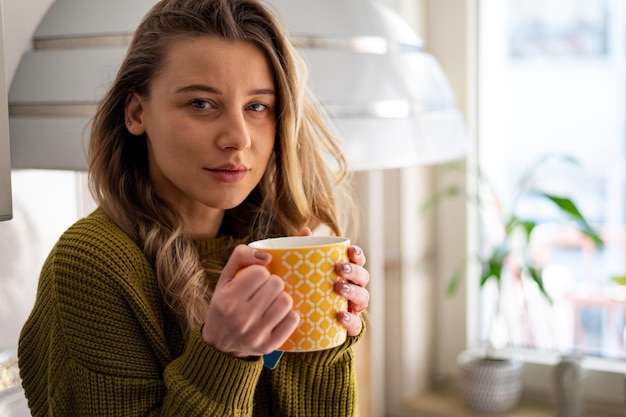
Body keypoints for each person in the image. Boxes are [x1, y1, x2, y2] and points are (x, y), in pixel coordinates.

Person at [17, 0, 370, 415]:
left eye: (257, 106)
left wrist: (322, 344)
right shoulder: (92, 264)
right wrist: (223, 355)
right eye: (201, 103)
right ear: (136, 112)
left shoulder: (277, 247)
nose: (238, 138)